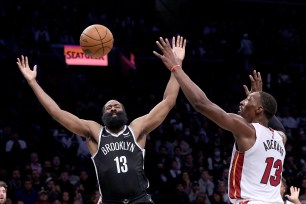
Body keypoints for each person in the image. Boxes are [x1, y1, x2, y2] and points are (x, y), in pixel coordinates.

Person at [16, 35, 186, 204]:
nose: (113, 108)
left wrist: (176, 66)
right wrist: (33, 83)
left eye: (117, 106)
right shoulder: (95, 132)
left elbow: (169, 101)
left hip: (139, 199)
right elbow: (56, 112)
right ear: (102, 116)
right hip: (109, 201)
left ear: (125, 113)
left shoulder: (137, 128)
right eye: (109, 107)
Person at [154, 36, 286, 204]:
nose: (242, 101)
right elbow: (277, 124)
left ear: (259, 109)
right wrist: (258, 98)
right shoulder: (280, 139)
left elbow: (201, 104)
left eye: (247, 100)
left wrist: (176, 67)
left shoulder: (247, 129)